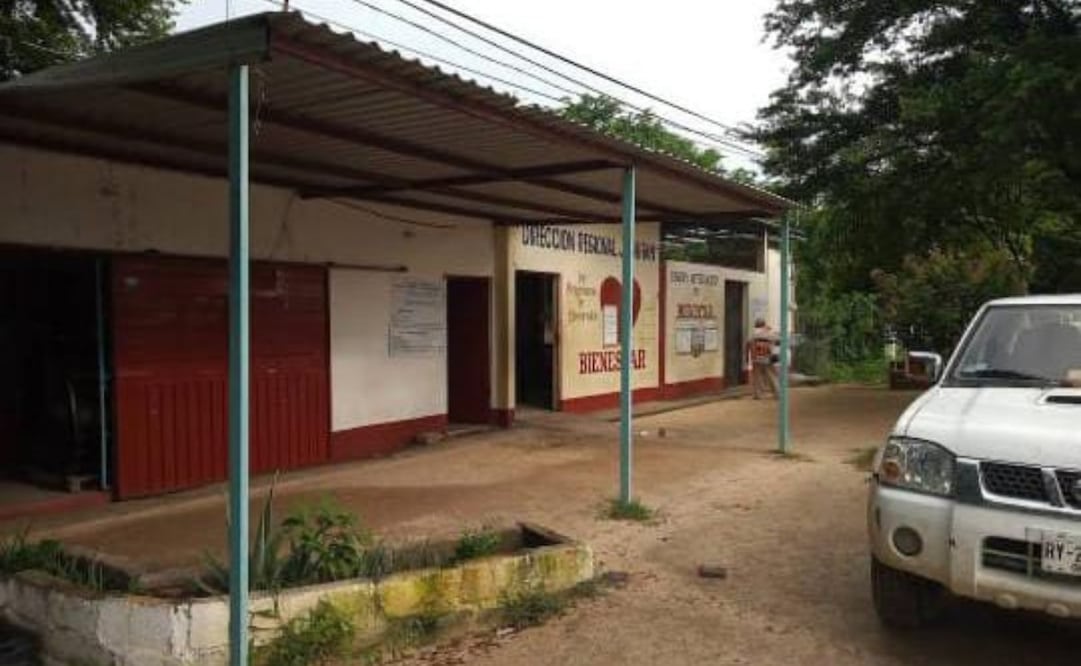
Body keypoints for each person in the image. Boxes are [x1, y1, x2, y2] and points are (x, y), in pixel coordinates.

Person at [746, 318, 779, 399]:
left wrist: (748, 357)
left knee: (757, 377)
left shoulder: (753, 334)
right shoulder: (768, 333)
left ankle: (758, 394)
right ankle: (777, 393)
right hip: (767, 358)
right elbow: (777, 340)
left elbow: (748, 344)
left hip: (756, 358)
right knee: (772, 376)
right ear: (764, 324)